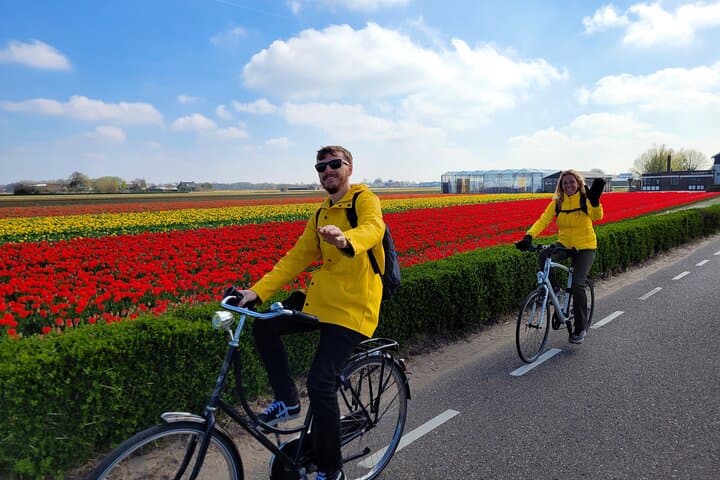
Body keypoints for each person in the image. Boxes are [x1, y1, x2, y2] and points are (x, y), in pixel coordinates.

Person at [228, 145, 385, 480]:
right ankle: (288, 400)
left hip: (354, 307)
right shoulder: (320, 215)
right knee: (266, 326)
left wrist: (345, 239)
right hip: (322, 301)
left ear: (349, 168)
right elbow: (294, 259)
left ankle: (332, 470)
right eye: (321, 167)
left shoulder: (363, 200)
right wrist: (255, 292)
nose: (327, 171)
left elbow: (374, 229)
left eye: (334, 164)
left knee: (320, 383)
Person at [515, 169, 605, 344]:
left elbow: (598, 217)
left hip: (585, 246)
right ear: (561, 186)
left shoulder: (584, 198)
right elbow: (544, 219)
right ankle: (556, 292)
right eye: (565, 183)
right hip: (565, 244)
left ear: (578, 183)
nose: (569, 185)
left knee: (578, 284)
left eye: (572, 182)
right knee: (543, 255)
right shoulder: (558, 202)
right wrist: (529, 236)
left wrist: (594, 202)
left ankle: (580, 328)